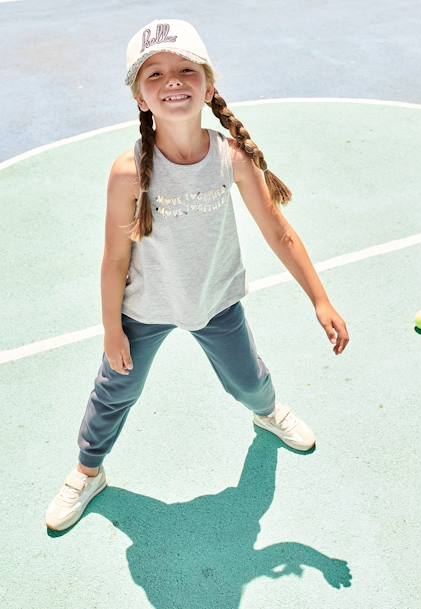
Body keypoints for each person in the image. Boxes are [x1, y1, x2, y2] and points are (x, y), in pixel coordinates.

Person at [45, 18, 349, 532]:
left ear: (209, 84)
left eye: (186, 69)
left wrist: (320, 298)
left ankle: (268, 413)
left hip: (216, 301)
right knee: (113, 393)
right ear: (140, 97)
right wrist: (112, 328)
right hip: (143, 309)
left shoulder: (231, 158)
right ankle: (87, 471)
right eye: (155, 74)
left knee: (250, 383)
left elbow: (278, 231)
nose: (173, 81)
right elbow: (114, 260)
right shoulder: (128, 171)